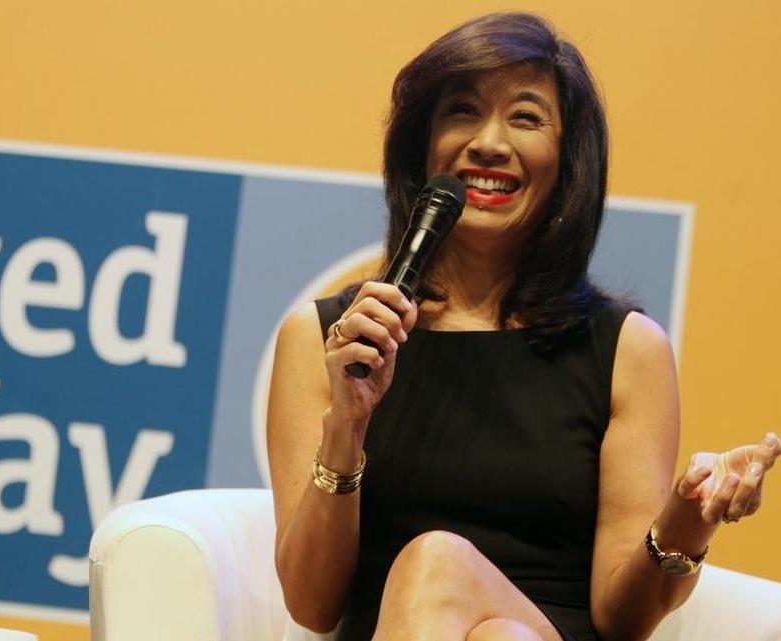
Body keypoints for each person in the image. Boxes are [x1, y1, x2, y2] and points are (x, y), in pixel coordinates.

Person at [266, 12, 780, 641]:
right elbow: (311, 605)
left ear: (567, 162)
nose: (488, 142)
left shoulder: (625, 351)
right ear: (422, 149)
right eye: (461, 111)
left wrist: (689, 516)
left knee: (446, 571)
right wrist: (346, 426)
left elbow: (624, 621)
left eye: (526, 117)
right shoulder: (330, 340)